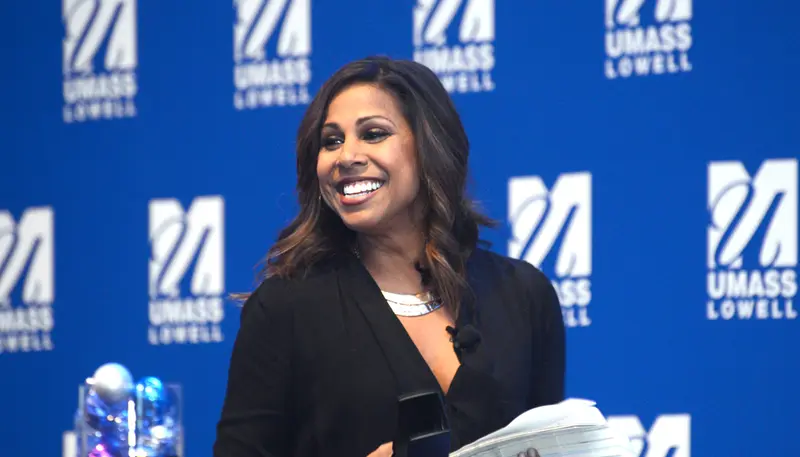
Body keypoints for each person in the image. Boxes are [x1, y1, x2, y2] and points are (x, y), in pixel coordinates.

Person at [212, 56, 566, 457]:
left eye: (373, 134)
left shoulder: (524, 295)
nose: (346, 156)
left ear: (431, 146)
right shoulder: (284, 308)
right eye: (331, 141)